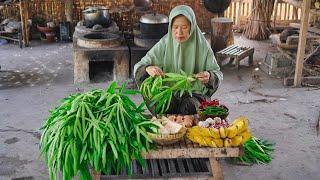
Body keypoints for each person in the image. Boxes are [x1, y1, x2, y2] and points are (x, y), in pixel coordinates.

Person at [134, 5, 223, 115]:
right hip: (167, 91)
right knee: (162, 105)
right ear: (170, 27)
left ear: (192, 26)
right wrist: (148, 68)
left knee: (190, 108)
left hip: (194, 93)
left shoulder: (202, 46)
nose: (179, 32)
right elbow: (140, 65)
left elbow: (217, 73)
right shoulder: (164, 43)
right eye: (175, 27)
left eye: (184, 27)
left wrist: (209, 76)